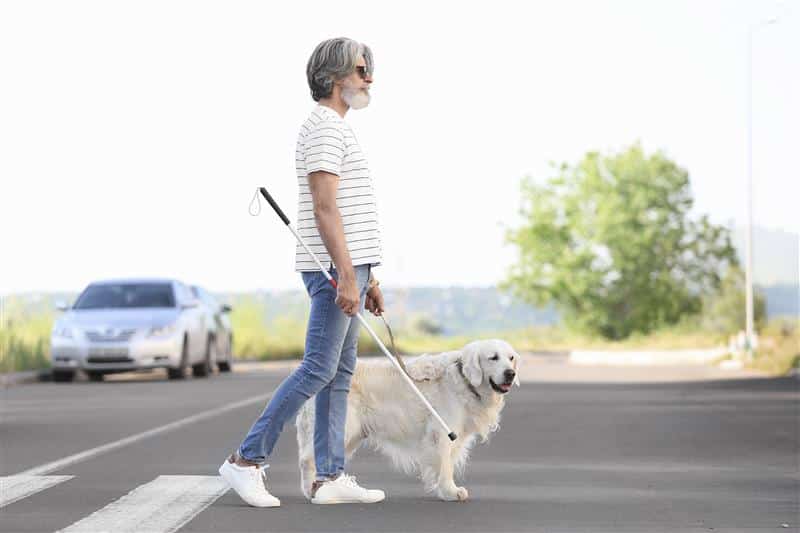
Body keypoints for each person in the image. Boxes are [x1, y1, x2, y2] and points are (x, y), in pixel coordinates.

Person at [219, 37, 386, 507]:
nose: (369, 77)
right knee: (318, 368)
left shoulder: (338, 127)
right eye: (360, 70)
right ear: (334, 77)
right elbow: (325, 207)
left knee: (338, 373)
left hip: (350, 266)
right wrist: (348, 277)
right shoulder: (324, 129)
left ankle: (328, 477)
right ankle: (245, 461)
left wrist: (368, 277)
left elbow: (349, 214)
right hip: (334, 268)